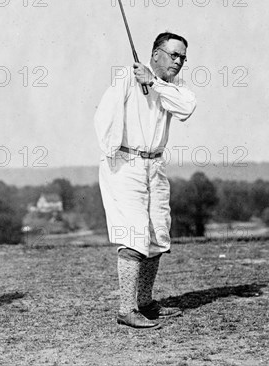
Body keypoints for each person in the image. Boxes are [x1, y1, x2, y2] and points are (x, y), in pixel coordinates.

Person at [94, 32, 197, 329]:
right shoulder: (127, 77)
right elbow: (104, 117)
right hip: (125, 165)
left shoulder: (172, 87)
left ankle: (145, 302)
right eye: (173, 55)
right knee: (133, 234)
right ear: (155, 54)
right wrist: (115, 155)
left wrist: (153, 83)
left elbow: (187, 108)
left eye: (182, 57)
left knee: (157, 233)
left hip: (155, 165)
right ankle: (126, 309)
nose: (178, 62)